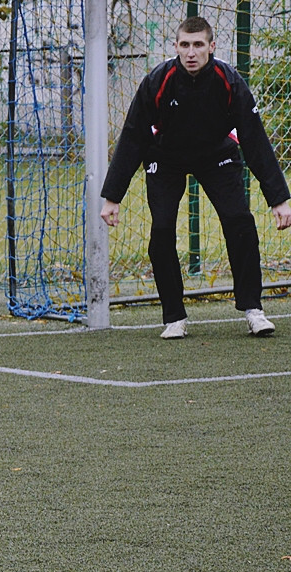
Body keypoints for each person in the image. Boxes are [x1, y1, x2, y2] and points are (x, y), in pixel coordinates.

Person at [99, 15, 291, 340]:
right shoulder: (158, 81)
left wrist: (279, 199)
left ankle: (253, 309)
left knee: (239, 221)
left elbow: (255, 139)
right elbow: (133, 136)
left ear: (211, 47)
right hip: (165, 156)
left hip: (216, 153)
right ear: (175, 47)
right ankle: (174, 316)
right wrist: (112, 196)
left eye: (198, 45)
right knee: (161, 230)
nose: (191, 52)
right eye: (185, 45)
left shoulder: (228, 80)